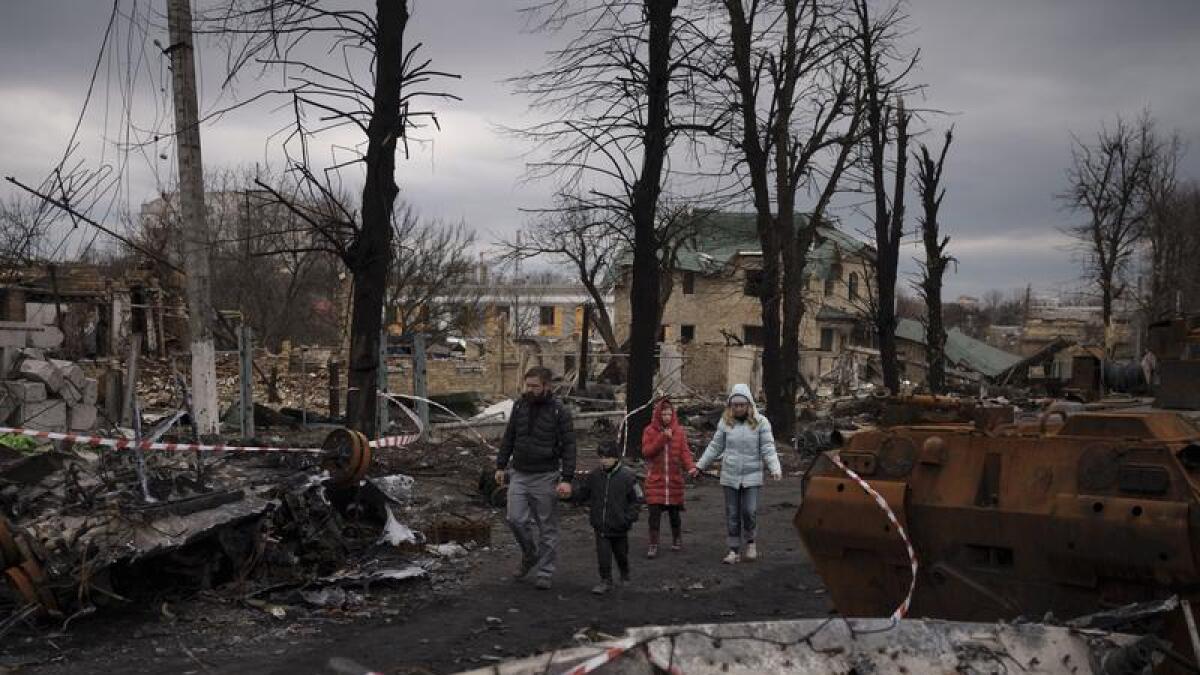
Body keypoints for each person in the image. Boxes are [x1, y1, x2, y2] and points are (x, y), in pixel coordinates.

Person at [495, 367, 577, 590]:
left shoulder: (560, 411)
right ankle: (530, 554)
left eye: (535, 386)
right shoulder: (520, 406)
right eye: (527, 385)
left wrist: (566, 478)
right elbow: (509, 436)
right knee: (514, 519)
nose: (529, 390)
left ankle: (545, 571)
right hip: (519, 473)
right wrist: (501, 465)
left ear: (547, 386)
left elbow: (570, 447)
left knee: (547, 527)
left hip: (546, 476)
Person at [691, 383, 781, 564]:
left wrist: (774, 467)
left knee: (749, 511)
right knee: (732, 513)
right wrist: (700, 465)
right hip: (730, 475)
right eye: (735, 405)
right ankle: (733, 550)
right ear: (730, 406)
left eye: (742, 405)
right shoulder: (725, 423)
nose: (738, 408)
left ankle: (750, 542)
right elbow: (715, 447)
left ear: (749, 405)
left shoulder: (761, 423)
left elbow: (767, 447)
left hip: (752, 475)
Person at [574, 441, 641, 595]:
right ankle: (605, 580)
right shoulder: (594, 476)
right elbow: (583, 494)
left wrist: (628, 518)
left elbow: (637, 499)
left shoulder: (628, 476)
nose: (603, 460)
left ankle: (624, 573)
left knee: (621, 554)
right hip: (601, 525)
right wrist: (568, 495)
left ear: (615, 458)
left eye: (607, 457)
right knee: (603, 555)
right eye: (601, 457)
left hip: (620, 525)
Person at [640, 398, 695, 558]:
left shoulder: (679, 431)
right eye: (663, 414)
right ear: (658, 414)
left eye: (669, 414)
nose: (666, 417)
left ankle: (676, 538)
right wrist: (662, 438)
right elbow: (647, 451)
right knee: (654, 515)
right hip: (655, 480)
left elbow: (684, 452)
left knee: (674, 514)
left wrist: (691, 467)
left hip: (673, 481)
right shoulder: (649, 431)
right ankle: (653, 544)